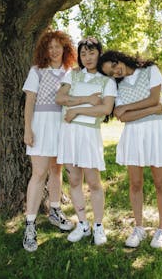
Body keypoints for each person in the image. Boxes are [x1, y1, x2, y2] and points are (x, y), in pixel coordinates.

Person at [97, 50, 162, 249]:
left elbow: (154, 98)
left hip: (155, 132)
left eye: (114, 66)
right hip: (133, 135)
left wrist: (129, 107)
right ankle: (139, 228)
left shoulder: (151, 71)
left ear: (119, 58)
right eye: (110, 73)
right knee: (135, 183)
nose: (115, 72)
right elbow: (124, 117)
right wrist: (151, 109)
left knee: (160, 183)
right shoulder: (119, 86)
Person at [55, 37, 117, 245]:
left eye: (91, 53)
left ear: (99, 54)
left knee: (93, 182)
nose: (87, 57)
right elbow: (60, 98)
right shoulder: (72, 74)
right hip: (69, 134)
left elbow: (105, 109)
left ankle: (98, 226)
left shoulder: (107, 81)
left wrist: (76, 110)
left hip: (89, 135)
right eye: (83, 53)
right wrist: (86, 100)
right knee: (74, 181)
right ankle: (82, 223)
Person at [22, 28, 77, 252]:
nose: (54, 50)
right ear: (45, 50)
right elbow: (30, 102)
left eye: (58, 46)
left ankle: (55, 211)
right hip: (42, 125)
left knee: (56, 170)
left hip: (62, 125)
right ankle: (30, 225)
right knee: (39, 173)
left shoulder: (69, 72)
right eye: (50, 47)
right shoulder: (37, 71)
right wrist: (28, 129)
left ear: (65, 49)